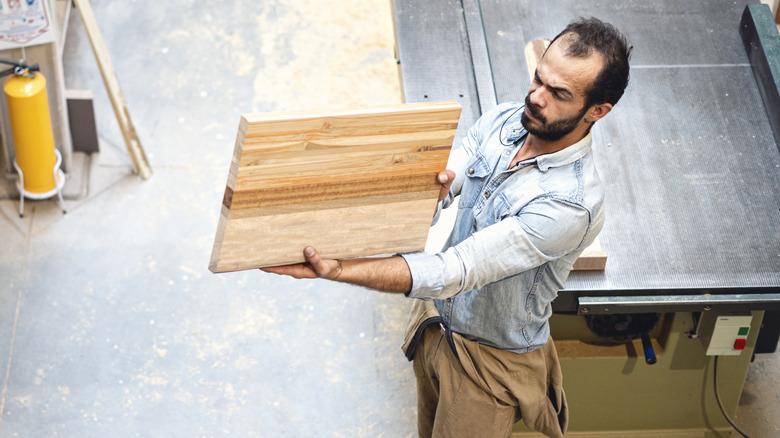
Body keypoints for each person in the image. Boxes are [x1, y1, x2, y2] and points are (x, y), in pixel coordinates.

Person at [263, 17, 631, 438]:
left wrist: (339, 268)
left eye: (558, 94)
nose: (535, 97)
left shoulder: (571, 203)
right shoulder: (509, 120)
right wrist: (428, 190)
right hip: (437, 323)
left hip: (488, 362)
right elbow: (456, 170)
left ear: (598, 110)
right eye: (537, 78)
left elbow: (454, 270)